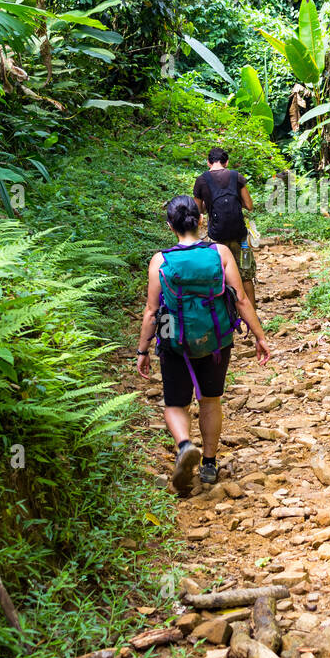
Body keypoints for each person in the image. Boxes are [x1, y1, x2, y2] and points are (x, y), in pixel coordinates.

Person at [136, 195, 270, 492]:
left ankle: (184, 445)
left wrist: (142, 349)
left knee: (175, 403)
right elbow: (242, 299)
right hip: (216, 337)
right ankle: (209, 464)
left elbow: (150, 311)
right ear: (200, 220)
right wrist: (259, 336)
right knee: (210, 400)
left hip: (174, 338)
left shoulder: (161, 260)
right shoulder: (220, 252)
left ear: (170, 225)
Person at [193, 147, 258, 307]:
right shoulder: (236, 176)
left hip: (216, 237)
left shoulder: (201, 180)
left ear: (208, 162)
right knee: (246, 274)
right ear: (226, 162)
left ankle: (224, 312)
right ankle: (252, 312)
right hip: (240, 234)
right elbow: (249, 206)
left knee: (218, 273)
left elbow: (197, 210)